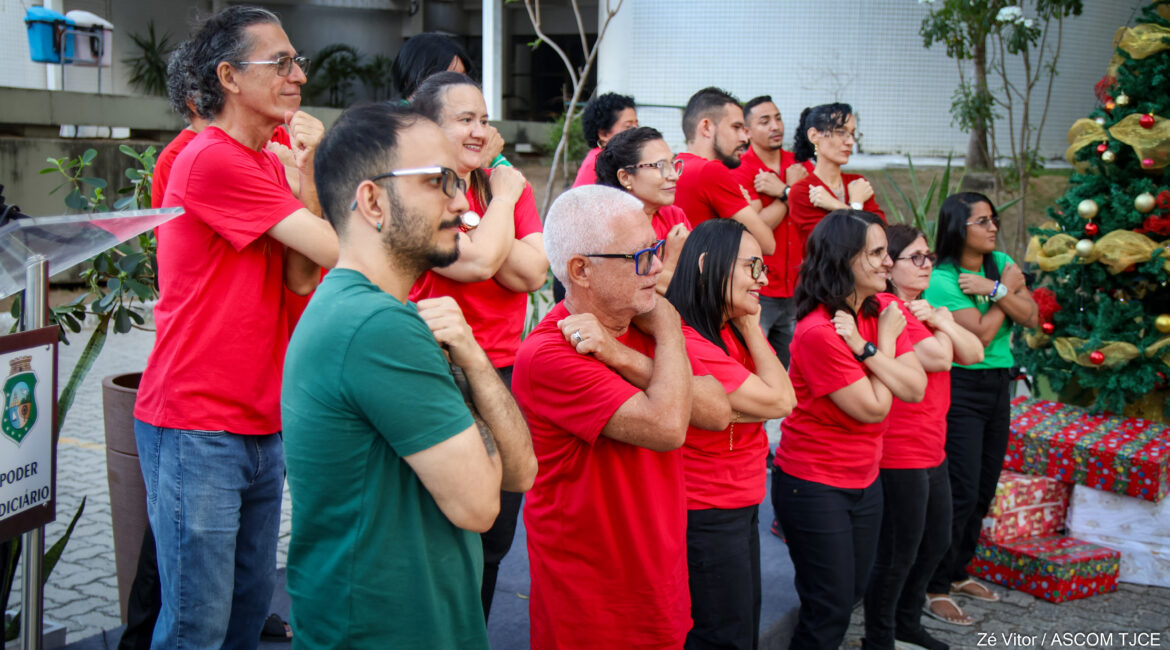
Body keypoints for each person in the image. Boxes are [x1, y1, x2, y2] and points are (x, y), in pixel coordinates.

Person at [282, 102, 536, 647]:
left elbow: (522, 474)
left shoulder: (369, 312)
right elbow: (480, 505)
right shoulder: (377, 327)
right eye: (438, 181)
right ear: (372, 200)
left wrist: (472, 358)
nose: (461, 201)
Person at [132, 6, 339, 647]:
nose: (297, 76)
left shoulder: (269, 162)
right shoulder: (209, 159)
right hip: (199, 424)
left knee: (247, 615)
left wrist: (304, 171)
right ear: (227, 77)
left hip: (260, 420)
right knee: (197, 624)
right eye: (279, 63)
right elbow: (336, 251)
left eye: (296, 61)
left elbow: (302, 277)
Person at [514, 185, 730, 649]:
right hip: (592, 601)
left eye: (655, 248)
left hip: (659, 582)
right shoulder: (550, 352)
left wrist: (625, 356)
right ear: (581, 270)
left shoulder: (645, 319)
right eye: (639, 256)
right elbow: (668, 426)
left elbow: (718, 411)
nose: (656, 266)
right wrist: (671, 331)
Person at [409, 70, 548, 620]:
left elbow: (532, 272)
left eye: (484, 119)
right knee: (442, 529)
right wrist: (502, 201)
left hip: (502, 372)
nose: (479, 131)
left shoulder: (498, 184)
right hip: (439, 366)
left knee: (494, 532)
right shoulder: (420, 186)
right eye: (464, 119)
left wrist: (479, 213)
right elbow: (476, 264)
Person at [775, 210, 926, 650]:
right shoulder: (819, 331)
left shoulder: (881, 314)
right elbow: (876, 408)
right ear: (844, 260)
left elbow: (914, 388)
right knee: (829, 610)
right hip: (814, 484)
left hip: (864, 479)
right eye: (876, 252)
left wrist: (866, 347)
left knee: (850, 595)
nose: (886, 261)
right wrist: (884, 346)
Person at [664, 218, 795, 649]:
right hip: (706, 510)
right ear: (707, 264)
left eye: (763, 269)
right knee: (723, 635)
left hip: (737, 501)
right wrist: (746, 406)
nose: (761, 280)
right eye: (751, 267)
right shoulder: (690, 339)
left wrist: (748, 327)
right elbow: (781, 403)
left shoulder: (726, 329)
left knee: (740, 626)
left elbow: (777, 396)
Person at [862, 225, 984, 650]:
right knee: (898, 553)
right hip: (900, 448)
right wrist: (941, 325)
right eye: (916, 257)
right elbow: (943, 358)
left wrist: (938, 320)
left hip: (932, 445)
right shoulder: (887, 306)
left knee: (936, 542)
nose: (927, 263)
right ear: (889, 265)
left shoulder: (922, 308)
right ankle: (880, 635)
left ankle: (906, 622)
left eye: (929, 256)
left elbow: (975, 352)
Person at [923, 193, 1038, 625]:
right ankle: (933, 586)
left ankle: (957, 573)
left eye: (993, 220)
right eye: (982, 221)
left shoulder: (1000, 265)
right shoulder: (942, 278)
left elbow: (1030, 315)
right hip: (961, 384)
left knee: (985, 487)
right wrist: (1007, 296)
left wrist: (994, 290)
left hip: (998, 384)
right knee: (960, 489)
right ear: (959, 228)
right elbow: (981, 337)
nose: (993, 227)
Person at [732, 95, 816, 368]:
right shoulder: (741, 169)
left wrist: (783, 190)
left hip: (801, 286)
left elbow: (816, 212)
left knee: (792, 370)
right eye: (764, 121)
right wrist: (789, 194)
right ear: (747, 131)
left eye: (778, 118)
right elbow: (754, 227)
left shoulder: (800, 166)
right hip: (761, 287)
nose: (775, 126)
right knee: (756, 366)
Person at [674, 87, 777, 255]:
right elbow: (767, 244)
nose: (744, 138)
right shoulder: (710, 171)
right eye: (736, 127)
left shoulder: (675, 166)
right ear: (706, 127)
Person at [595, 126, 689, 294]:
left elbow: (698, 282)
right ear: (625, 177)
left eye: (673, 164)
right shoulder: (610, 228)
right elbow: (639, 296)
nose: (674, 175)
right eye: (661, 166)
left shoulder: (673, 215)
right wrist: (672, 258)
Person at [391, 32, 507, 168]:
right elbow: (437, 184)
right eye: (445, 79)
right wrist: (482, 159)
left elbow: (517, 183)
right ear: (409, 79)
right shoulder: (399, 129)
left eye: (461, 78)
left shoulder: (461, 123)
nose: (458, 87)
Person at [787, 103, 884, 253]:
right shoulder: (803, 191)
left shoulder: (857, 183)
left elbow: (882, 236)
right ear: (814, 136)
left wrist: (836, 206)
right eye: (840, 132)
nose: (850, 141)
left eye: (852, 133)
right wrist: (857, 206)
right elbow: (833, 247)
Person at [573, 92, 638, 187]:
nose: (636, 131)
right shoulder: (595, 163)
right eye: (628, 126)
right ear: (603, 134)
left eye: (637, 125)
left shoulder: (624, 157)